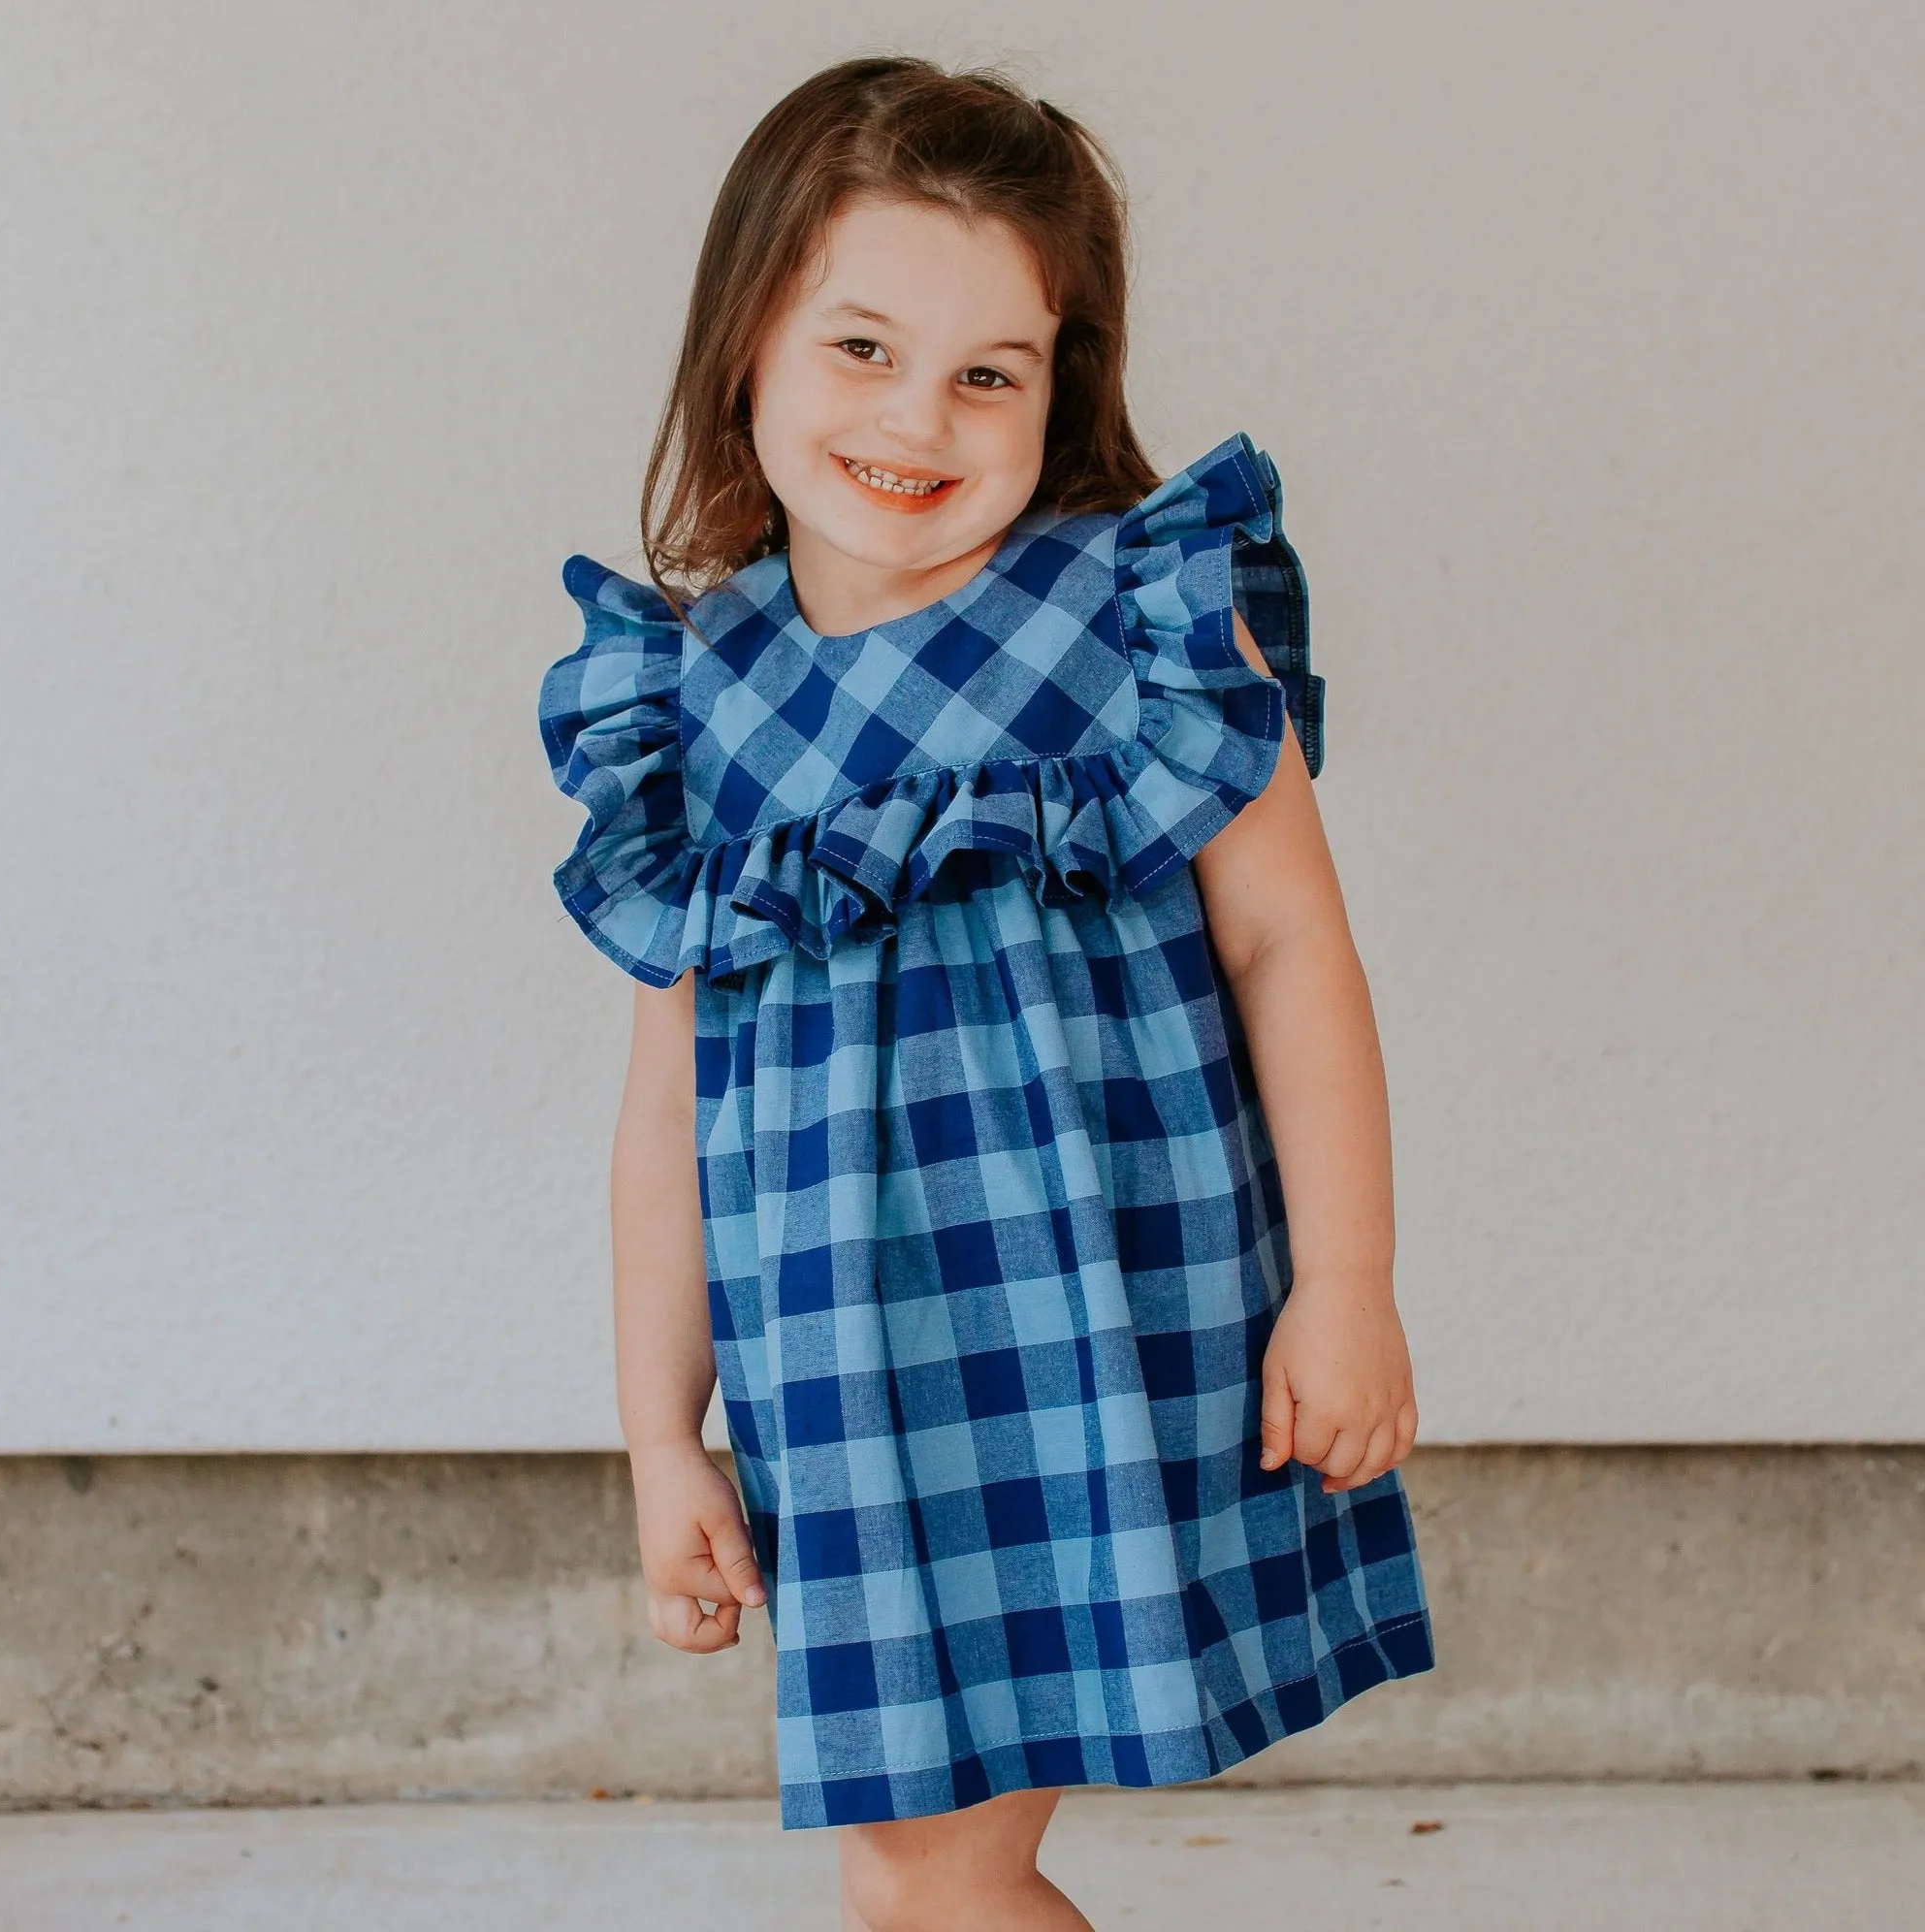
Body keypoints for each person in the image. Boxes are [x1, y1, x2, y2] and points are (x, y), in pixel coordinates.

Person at [537, 53, 1435, 1931]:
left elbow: (1288, 946)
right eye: (860, 348)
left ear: (1062, 381)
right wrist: (656, 1432)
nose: (917, 419)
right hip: (850, 1384)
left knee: (926, 1882)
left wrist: (1347, 1284)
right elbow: (664, 1118)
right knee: (921, 1880)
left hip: (1105, 1326)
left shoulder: (1141, 618)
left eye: (987, 373)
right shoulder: (691, 705)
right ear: (747, 347)